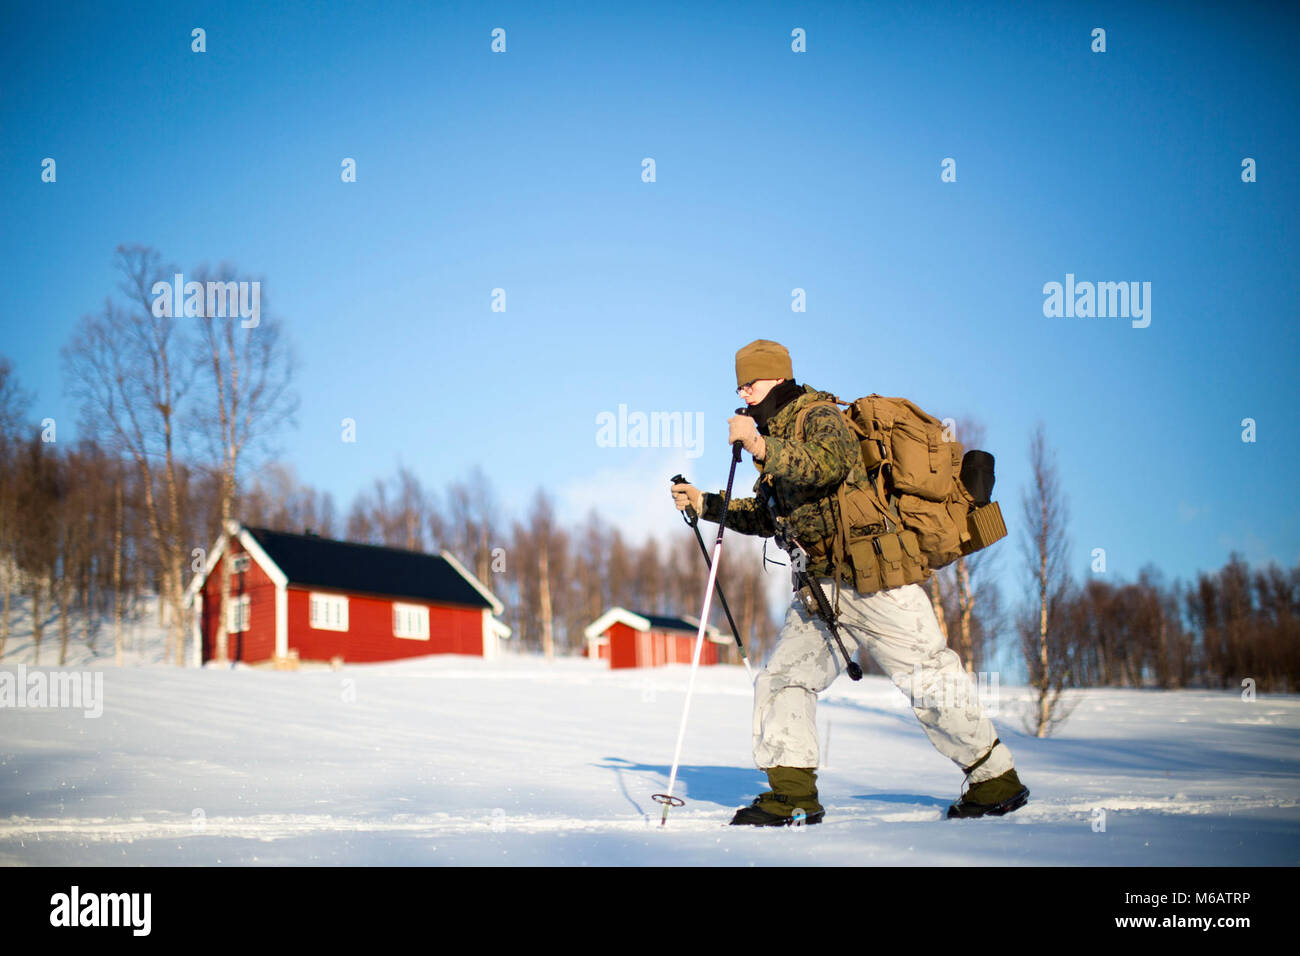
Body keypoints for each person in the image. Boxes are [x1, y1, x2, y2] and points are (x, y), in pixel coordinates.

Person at [670, 339, 1028, 825]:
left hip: (876, 575)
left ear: (777, 377)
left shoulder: (817, 415)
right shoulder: (776, 437)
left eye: (751, 383)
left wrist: (758, 445)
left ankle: (994, 782)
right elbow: (764, 515)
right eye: (739, 385)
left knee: (927, 675)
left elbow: (828, 464)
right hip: (821, 588)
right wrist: (705, 503)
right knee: (783, 680)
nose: (744, 392)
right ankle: (793, 794)